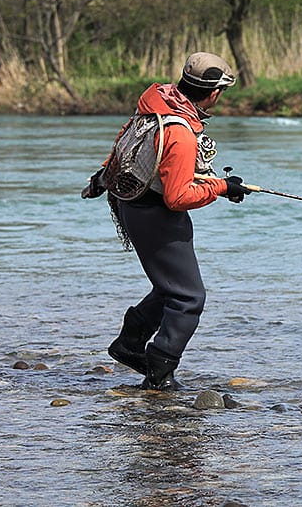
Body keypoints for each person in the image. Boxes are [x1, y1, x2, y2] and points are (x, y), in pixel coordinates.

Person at [82, 52, 251, 390]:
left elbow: (124, 152)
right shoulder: (181, 132)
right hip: (157, 215)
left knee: (171, 288)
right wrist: (220, 187)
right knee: (189, 298)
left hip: (132, 207)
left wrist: (101, 180)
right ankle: (160, 371)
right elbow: (177, 198)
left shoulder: (155, 103)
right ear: (214, 92)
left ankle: (130, 343)